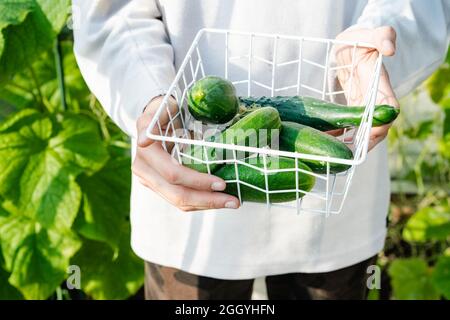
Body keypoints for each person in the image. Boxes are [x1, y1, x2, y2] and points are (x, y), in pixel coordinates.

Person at [73, 0, 450, 300]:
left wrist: (373, 48)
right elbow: (112, 13)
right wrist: (148, 93)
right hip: (184, 172)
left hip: (335, 188)